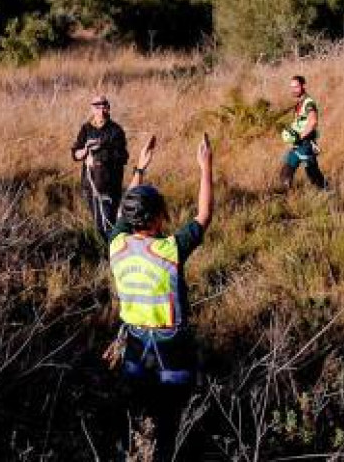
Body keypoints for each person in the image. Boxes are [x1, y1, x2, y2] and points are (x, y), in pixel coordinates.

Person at [103, 133, 213, 462]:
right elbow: (204, 215)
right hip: (172, 342)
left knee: (136, 401)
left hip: (135, 340)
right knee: (171, 409)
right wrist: (206, 166)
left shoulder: (116, 243)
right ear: (157, 218)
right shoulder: (170, 249)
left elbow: (124, 212)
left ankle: (131, 448)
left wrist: (140, 167)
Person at [71, 95, 129, 238]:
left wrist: (100, 154)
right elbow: (75, 153)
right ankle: (108, 253)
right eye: (97, 107)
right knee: (98, 224)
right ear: (92, 109)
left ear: (108, 108)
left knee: (108, 224)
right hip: (90, 185)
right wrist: (85, 151)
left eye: (104, 106)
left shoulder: (116, 130)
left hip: (109, 185)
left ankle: (114, 254)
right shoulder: (86, 129)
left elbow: (123, 156)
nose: (101, 110)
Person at [279, 75, 327, 190]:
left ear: (303, 86)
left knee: (314, 176)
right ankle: (289, 199)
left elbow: (313, 121)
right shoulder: (300, 102)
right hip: (298, 144)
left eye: (296, 87)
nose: (293, 89)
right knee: (285, 174)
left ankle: (330, 196)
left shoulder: (309, 103)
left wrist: (299, 137)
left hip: (305, 144)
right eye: (292, 87)